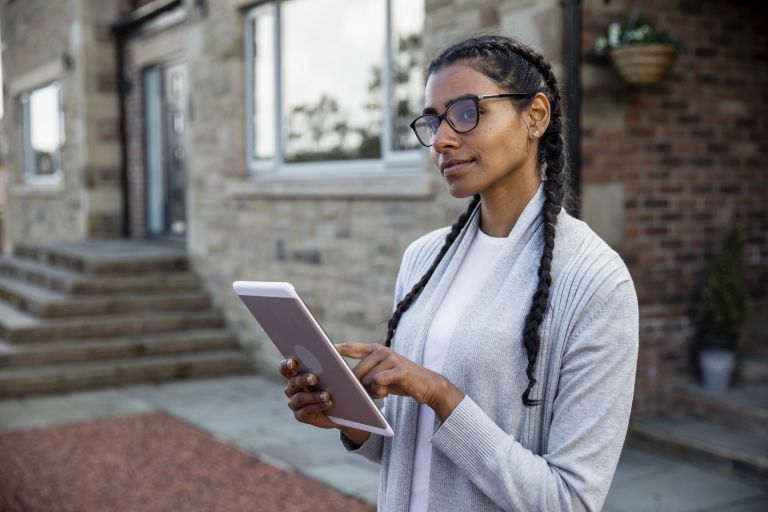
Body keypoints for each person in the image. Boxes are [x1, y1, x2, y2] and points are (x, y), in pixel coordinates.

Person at [279, 34, 638, 512]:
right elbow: (416, 449)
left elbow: (569, 500)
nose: (442, 139)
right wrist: (349, 419)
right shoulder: (424, 259)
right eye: (433, 120)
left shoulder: (594, 281)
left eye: (467, 113)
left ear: (535, 117)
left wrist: (441, 394)